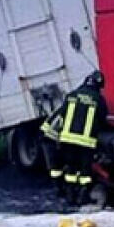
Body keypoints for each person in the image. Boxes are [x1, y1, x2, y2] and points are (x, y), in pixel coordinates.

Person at [57, 71, 108, 204]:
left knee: (71, 168)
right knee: (85, 171)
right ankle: (83, 196)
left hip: (67, 140)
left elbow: (62, 114)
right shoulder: (98, 99)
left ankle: (70, 196)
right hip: (86, 142)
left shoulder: (71, 95)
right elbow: (103, 119)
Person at [39, 103, 66, 196]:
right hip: (48, 139)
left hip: (48, 135)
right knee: (55, 167)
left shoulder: (63, 108)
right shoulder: (67, 111)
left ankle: (60, 188)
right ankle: (59, 189)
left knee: (56, 166)